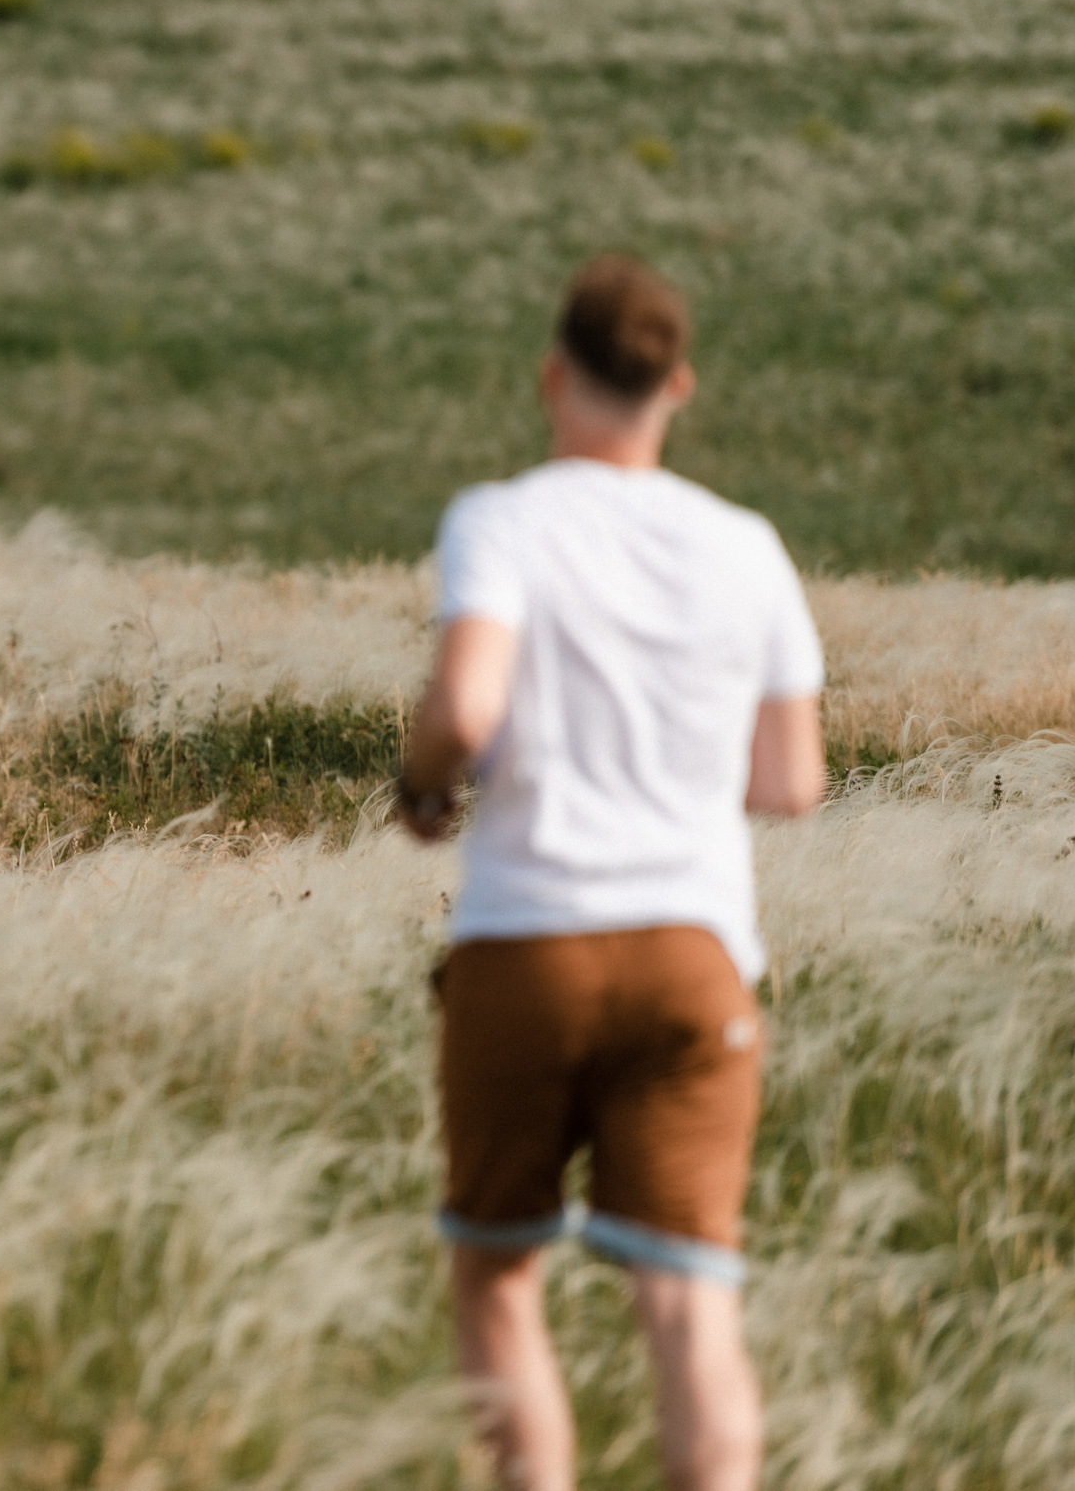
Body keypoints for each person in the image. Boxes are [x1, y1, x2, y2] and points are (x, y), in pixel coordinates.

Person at [395, 255, 826, 1491]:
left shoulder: (501, 518)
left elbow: (466, 704)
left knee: (495, 1265)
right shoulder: (747, 546)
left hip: (524, 937)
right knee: (691, 1305)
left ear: (552, 376)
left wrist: (424, 788)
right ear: (676, 385)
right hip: (691, 951)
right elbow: (790, 781)